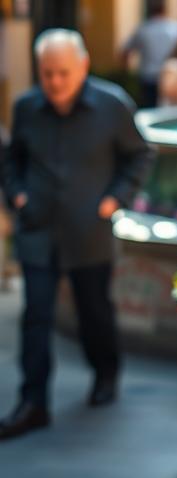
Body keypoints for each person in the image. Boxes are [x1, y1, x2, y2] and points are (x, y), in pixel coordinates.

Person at [0, 29, 153, 440]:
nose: (54, 82)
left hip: (89, 231)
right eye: (47, 74)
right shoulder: (27, 107)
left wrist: (114, 199)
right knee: (36, 318)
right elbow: (11, 159)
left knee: (94, 313)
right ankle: (32, 403)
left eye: (63, 73)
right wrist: (15, 194)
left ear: (83, 66)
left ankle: (105, 374)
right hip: (37, 229)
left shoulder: (112, 105)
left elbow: (139, 155)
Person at [119, 0, 177, 108]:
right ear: (165, 11)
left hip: (148, 76)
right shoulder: (176, 29)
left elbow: (125, 51)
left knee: (149, 108)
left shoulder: (143, 29)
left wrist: (127, 72)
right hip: (171, 76)